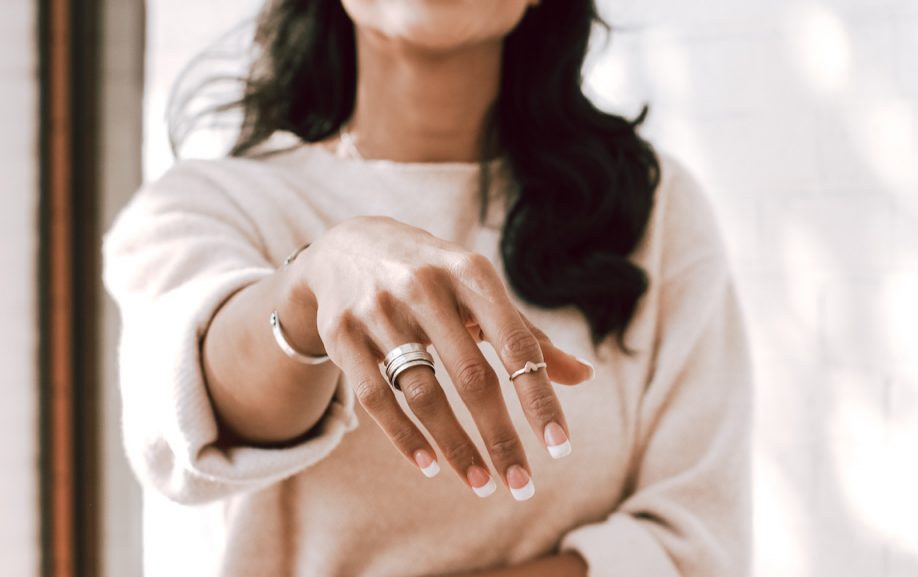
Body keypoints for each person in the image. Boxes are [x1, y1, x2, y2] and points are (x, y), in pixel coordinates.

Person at [102, 0, 754, 576]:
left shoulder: (651, 209)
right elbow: (187, 417)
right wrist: (309, 291)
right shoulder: (204, 207)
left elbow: (697, 545)